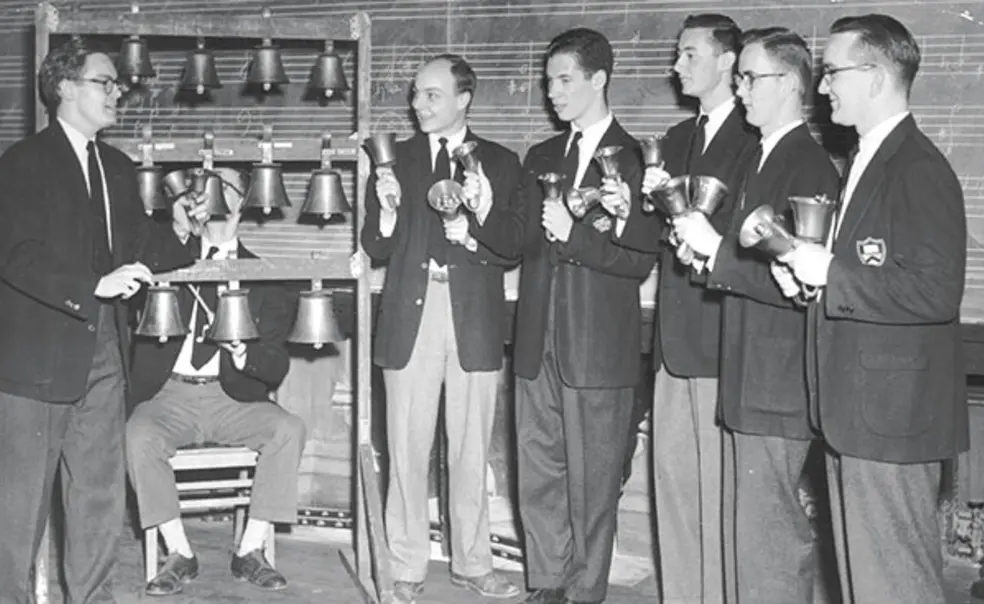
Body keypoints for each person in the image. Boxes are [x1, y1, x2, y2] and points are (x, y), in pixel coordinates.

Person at [778, 14, 967, 603]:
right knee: (866, 582)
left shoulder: (917, 167)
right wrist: (813, 280)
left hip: (891, 423)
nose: (822, 86)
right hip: (857, 415)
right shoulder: (864, 161)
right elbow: (875, 274)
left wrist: (831, 273)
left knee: (894, 585)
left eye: (832, 72)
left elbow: (936, 293)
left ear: (877, 76)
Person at [0, 37, 191, 603]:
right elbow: (16, 255)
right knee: (21, 504)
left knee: (99, 496)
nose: (118, 93)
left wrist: (179, 230)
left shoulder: (116, 165)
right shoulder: (22, 164)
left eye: (116, 85)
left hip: (105, 354)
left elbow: (137, 244)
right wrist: (92, 286)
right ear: (63, 87)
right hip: (37, 359)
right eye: (103, 83)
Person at [672, 27, 840, 603]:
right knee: (749, 535)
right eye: (738, 77)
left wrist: (714, 250)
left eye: (750, 78)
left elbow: (794, 283)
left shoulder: (808, 164)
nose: (739, 90)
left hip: (776, 381)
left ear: (790, 84)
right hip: (747, 373)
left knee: (768, 538)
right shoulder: (763, 156)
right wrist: (703, 246)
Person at [360, 54, 523, 604]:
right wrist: (384, 213)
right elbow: (376, 246)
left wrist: (480, 218)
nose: (417, 104)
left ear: (464, 99)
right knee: (405, 447)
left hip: (473, 316)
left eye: (431, 94)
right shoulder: (393, 161)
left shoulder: (501, 162)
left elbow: (514, 245)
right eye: (415, 95)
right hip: (412, 316)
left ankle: (474, 563)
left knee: (471, 449)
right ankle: (405, 566)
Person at [510, 28, 658, 604]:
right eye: (548, 81)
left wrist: (575, 237)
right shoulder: (541, 156)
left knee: (594, 482)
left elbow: (640, 259)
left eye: (564, 79)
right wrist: (476, 209)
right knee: (539, 468)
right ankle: (547, 582)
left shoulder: (638, 159)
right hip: (535, 341)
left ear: (599, 79)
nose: (553, 92)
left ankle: (585, 589)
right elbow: (517, 240)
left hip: (598, 345)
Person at [613, 14, 757, 604]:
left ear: (728, 61)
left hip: (724, 341)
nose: (677, 66)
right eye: (678, 54)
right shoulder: (673, 141)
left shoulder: (755, 142)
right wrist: (626, 208)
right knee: (672, 489)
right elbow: (649, 239)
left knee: (718, 495)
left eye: (690, 55)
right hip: (673, 342)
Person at [125, 166, 305, 595]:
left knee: (288, 429)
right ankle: (179, 553)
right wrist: (176, 226)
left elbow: (276, 365)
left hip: (234, 398)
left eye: (224, 187)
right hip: (170, 394)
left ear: (244, 200)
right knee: (137, 435)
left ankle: (249, 550)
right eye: (203, 186)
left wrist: (245, 354)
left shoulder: (269, 279)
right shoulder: (165, 256)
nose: (211, 195)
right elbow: (129, 276)